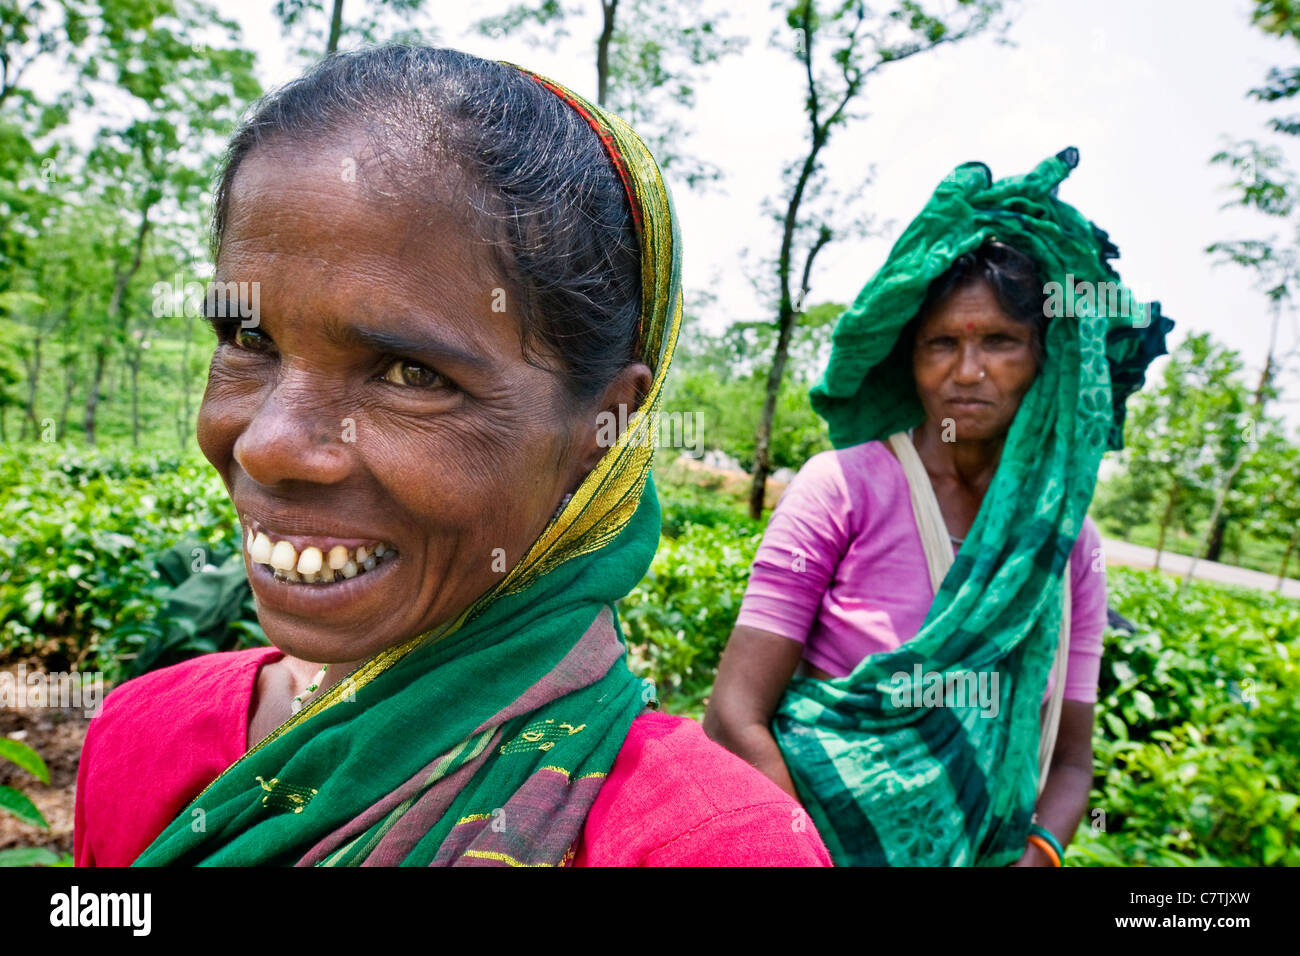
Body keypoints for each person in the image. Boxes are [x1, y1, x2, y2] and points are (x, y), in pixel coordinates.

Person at [73, 45, 831, 867]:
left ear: (605, 427)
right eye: (249, 339)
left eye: (410, 373)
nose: (268, 444)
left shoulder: (711, 846)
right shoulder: (140, 736)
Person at [704, 149, 1173, 866]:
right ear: (910, 358)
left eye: (1000, 342)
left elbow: (1072, 762)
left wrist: (1040, 853)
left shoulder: (1065, 544)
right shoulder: (841, 489)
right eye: (941, 343)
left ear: (1045, 359)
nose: (967, 371)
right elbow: (734, 717)